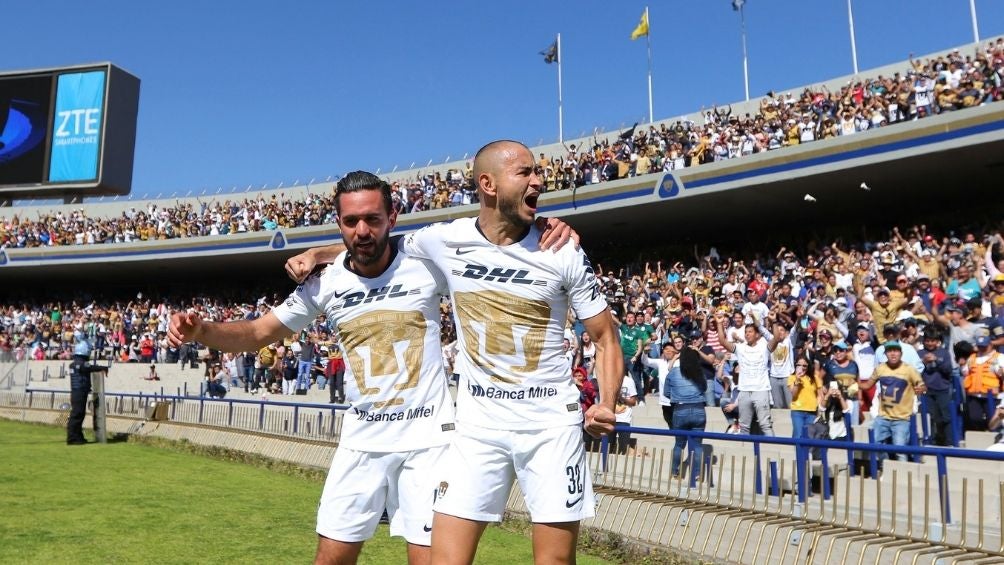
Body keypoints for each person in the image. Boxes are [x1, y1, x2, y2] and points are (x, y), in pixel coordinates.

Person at [286, 140, 622, 565]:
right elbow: (376, 243)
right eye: (525, 172)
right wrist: (318, 252)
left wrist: (606, 403)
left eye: (536, 172)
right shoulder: (445, 240)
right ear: (488, 183)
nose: (539, 179)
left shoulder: (562, 249)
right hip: (476, 428)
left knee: (554, 561)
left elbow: (606, 337)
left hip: (550, 426)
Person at [169, 171, 464, 565]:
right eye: (351, 221)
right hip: (362, 441)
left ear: (391, 219)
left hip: (428, 440)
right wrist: (202, 330)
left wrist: (548, 228)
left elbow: (491, 240)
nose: (362, 230)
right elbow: (258, 332)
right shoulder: (325, 284)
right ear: (339, 224)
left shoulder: (425, 263)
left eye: (373, 219)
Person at [714, 311, 784, 435]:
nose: (747, 334)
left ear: (757, 334)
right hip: (744, 391)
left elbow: (777, 338)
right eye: (746, 332)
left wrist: (773, 321)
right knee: (744, 426)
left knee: (765, 425)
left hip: (761, 390)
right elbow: (722, 341)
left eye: (750, 332)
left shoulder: (764, 347)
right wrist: (719, 324)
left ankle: (773, 449)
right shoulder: (740, 348)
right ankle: (745, 452)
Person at [859, 341, 926, 462]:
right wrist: (854, 382)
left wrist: (920, 388)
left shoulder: (909, 369)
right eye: (889, 351)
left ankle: (901, 475)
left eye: (895, 351)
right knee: (874, 444)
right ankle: (886, 465)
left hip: (902, 418)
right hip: (883, 416)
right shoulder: (880, 368)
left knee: (900, 450)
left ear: (901, 353)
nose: (893, 354)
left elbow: (921, 385)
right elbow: (868, 385)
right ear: (885, 354)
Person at [918, 330, 954, 446]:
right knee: (929, 417)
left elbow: (948, 370)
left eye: (932, 341)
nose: (929, 343)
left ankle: (949, 441)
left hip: (942, 389)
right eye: (927, 341)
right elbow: (914, 370)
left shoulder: (944, 353)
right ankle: (930, 441)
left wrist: (936, 360)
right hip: (925, 390)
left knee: (945, 416)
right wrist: (923, 361)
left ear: (937, 342)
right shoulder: (919, 353)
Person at [67, 339, 99, 445]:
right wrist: (104, 368)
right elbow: (89, 367)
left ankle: (78, 436)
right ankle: (72, 438)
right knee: (77, 414)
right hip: (79, 391)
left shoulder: (75, 364)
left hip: (79, 391)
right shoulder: (79, 364)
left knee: (79, 414)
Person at [788, 357, 820, 439]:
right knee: (798, 435)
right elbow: (794, 394)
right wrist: (797, 381)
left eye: (804, 366)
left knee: (809, 436)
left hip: (812, 412)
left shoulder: (814, 378)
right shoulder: (792, 377)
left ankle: (806, 452)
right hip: (798, 411)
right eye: (799, 365)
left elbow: (819, 394)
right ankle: (798, 451)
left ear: (808, 366)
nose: (802, 367)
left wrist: (818, 407)